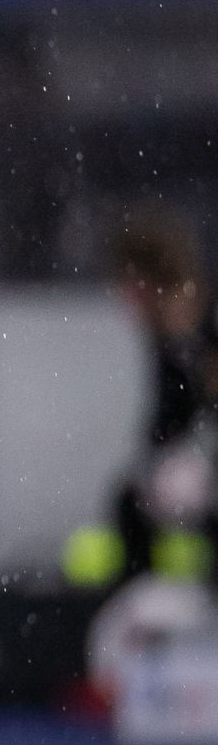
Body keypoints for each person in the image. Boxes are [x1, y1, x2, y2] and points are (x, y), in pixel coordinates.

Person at [81, 218, 217, 585]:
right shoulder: (166, 342)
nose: (125, 299)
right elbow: (165, 425)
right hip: (194, 467)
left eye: (129, 284)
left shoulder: (201, 326)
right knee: (132, 502)